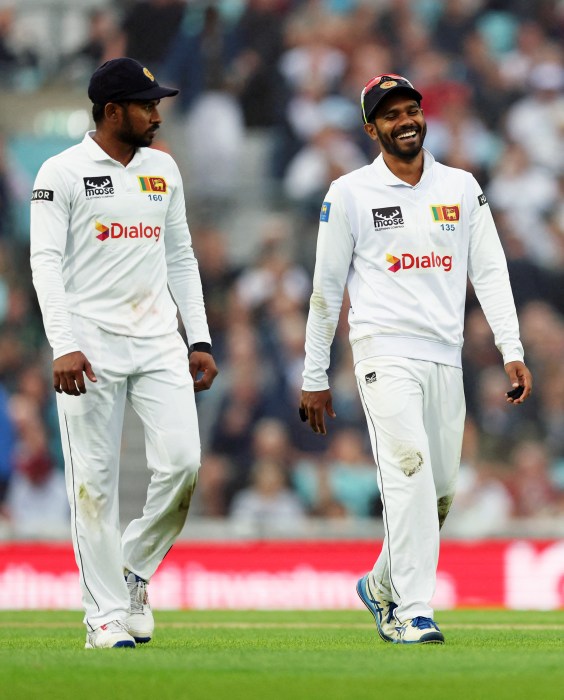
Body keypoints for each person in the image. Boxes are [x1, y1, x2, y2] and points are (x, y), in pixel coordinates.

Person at [299, 73, 532, 645]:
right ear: (370, 127)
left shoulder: (461, 186)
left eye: (411, 110)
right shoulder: (349, 192)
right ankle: (411, 609)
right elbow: (327, 289)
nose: (405, 120)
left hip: (444, 357)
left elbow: (491, 271)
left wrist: (512, 348)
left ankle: (379, 586)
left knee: (441, 492)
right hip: (383, 351)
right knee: (409, 474)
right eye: (391, 114)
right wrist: (314, 374)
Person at [29, 57, 218, 649]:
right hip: (90, 348)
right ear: (113, 112)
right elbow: (44, 263)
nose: (157, 114)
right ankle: (104, 617)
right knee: (95, 484)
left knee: (184, 462)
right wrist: (64, 344)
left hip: (160, 339)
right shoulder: (59, 173)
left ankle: (132, 565)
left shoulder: (163, 169)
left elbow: (182, 258)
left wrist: (200, 336)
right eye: (146, 105)